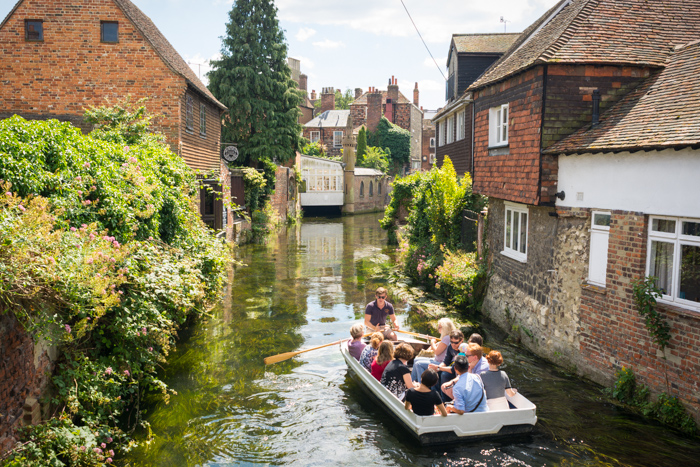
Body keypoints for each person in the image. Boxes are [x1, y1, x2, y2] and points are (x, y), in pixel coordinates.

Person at [410, 318, 456, 382]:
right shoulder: (447, 337)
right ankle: (413, 381)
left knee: (418, 364)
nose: (438, 329)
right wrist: (435, 344)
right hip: (437, 360)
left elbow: (437, 352)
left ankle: (422, 384)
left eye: (439, 327)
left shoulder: (446, 338)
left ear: (444, 328)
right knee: (416, 359)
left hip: (440, 362)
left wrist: (432, 342)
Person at [436, 330, 464, 398]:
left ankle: (445, 399)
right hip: (454, 368)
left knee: (444, 374)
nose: (453, 344)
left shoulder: (463, 350)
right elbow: (446, 361)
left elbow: (454, 369)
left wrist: (438, 368)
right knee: (436, 373)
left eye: (456, 343)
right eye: (451, 342)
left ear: (461, 341)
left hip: (460, 372)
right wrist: (438, 368)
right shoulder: (450, 347)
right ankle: (436, 396)